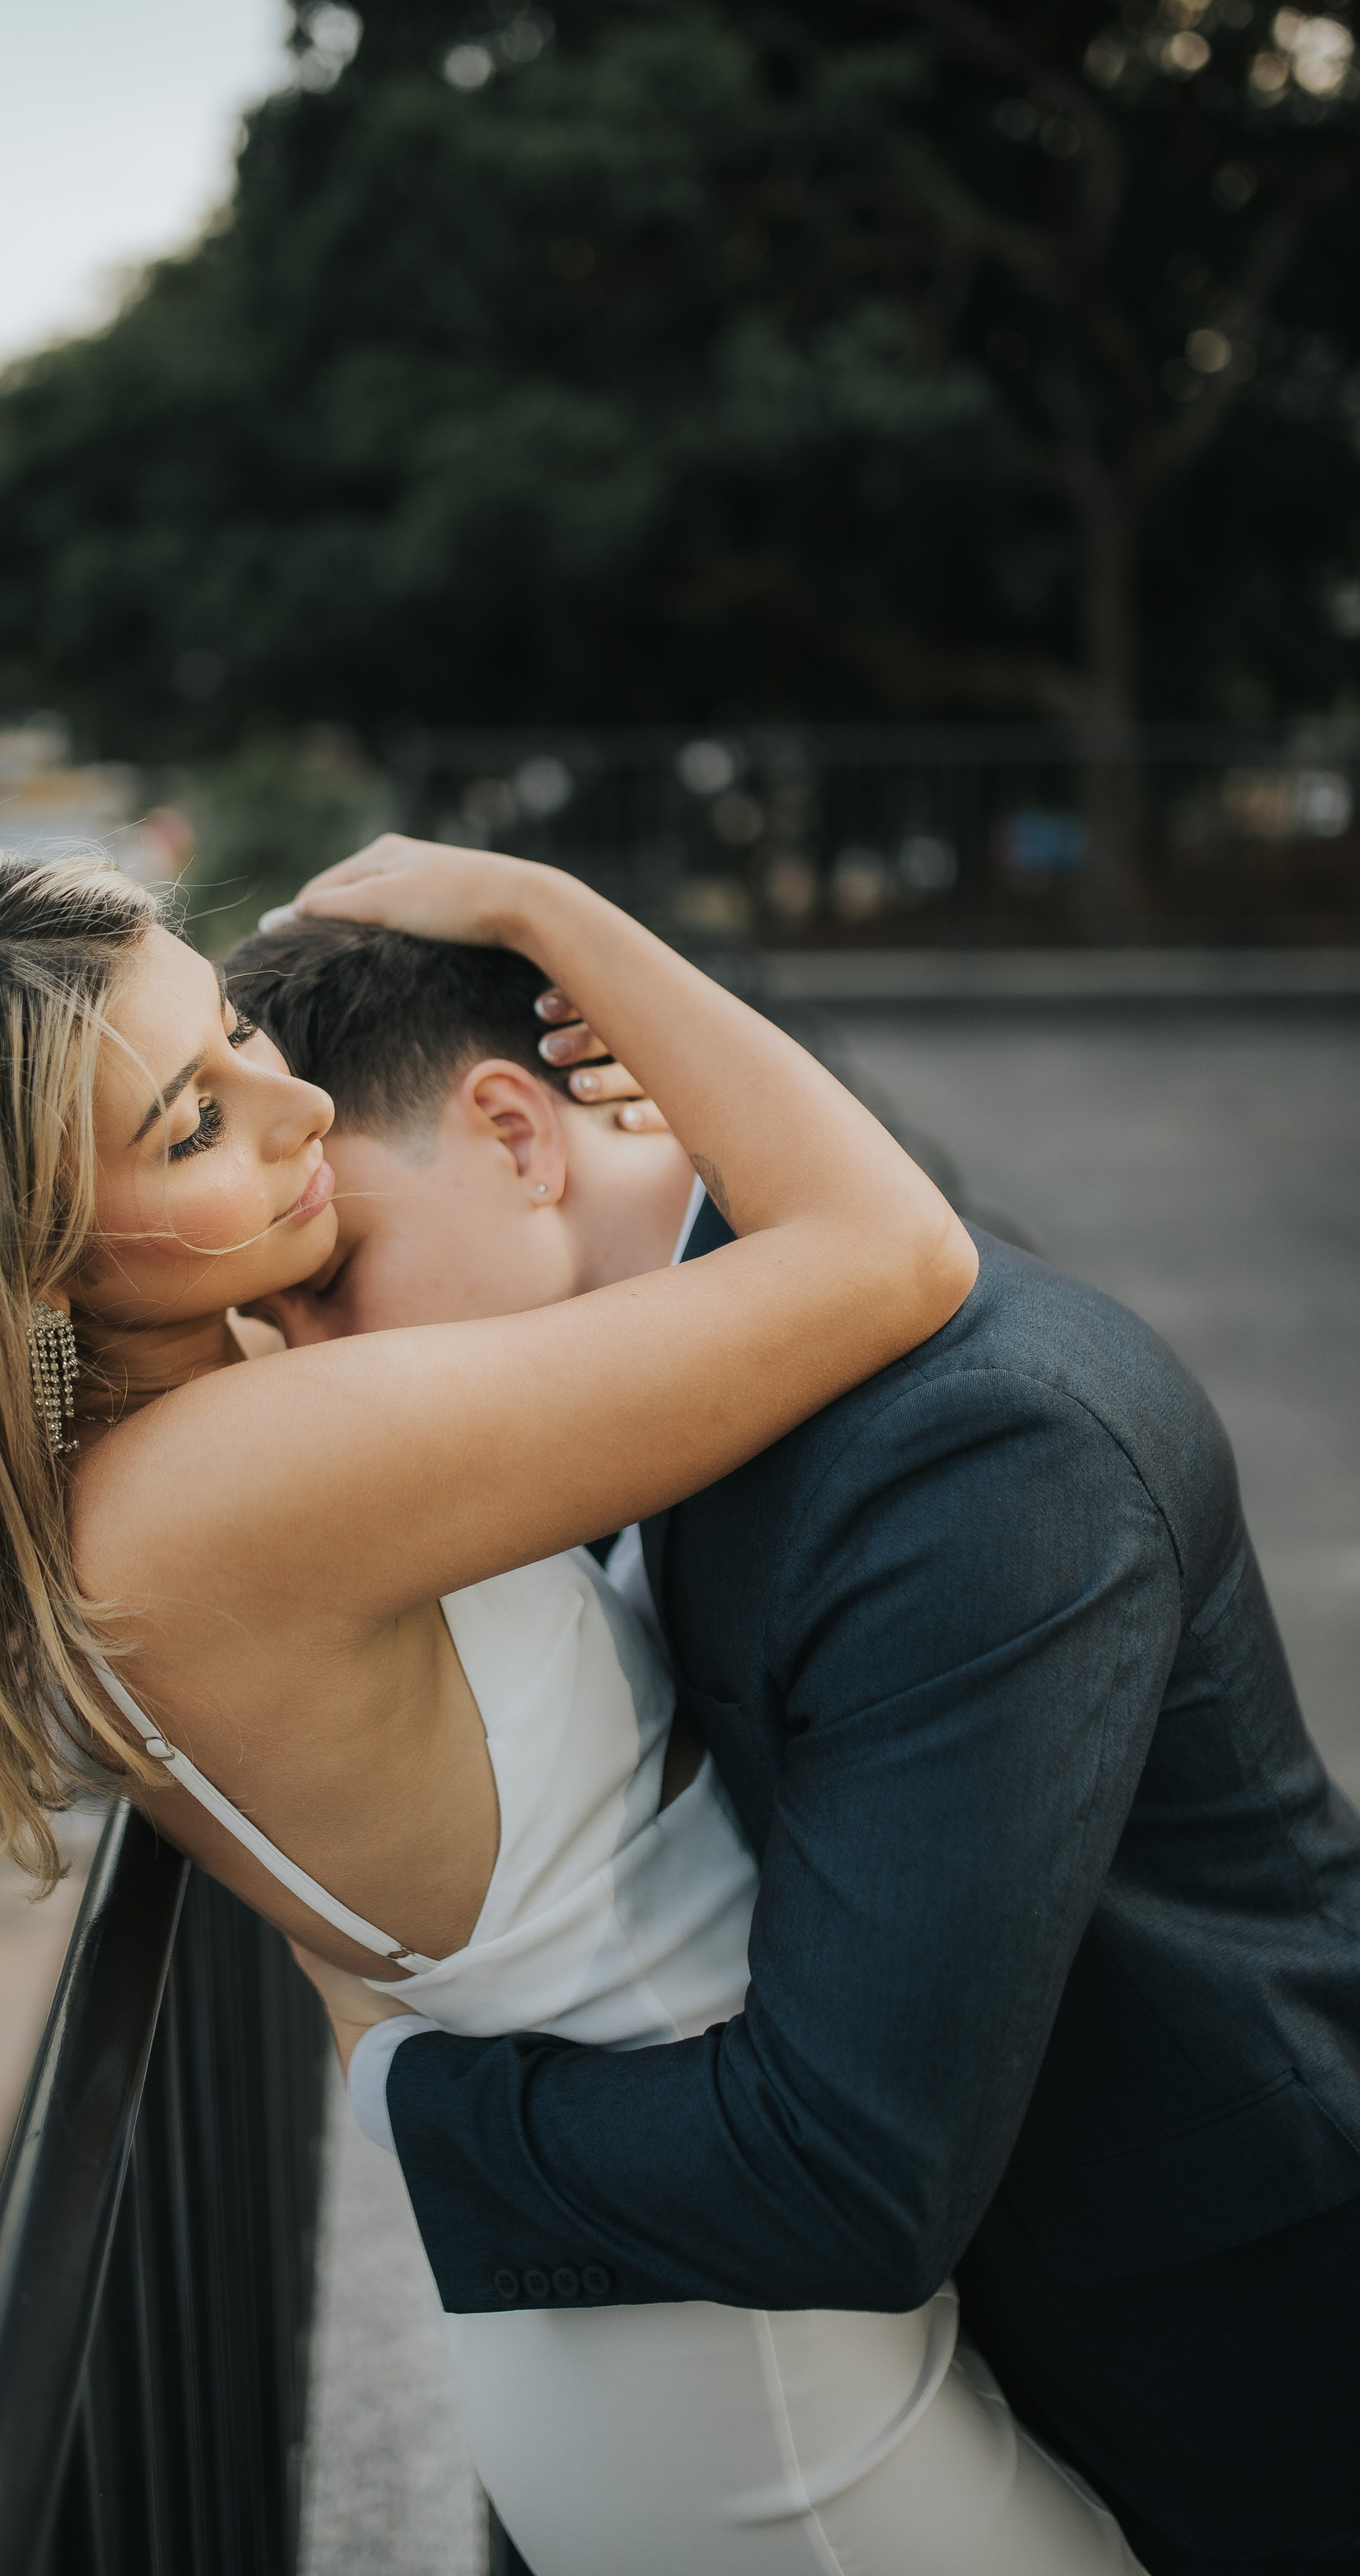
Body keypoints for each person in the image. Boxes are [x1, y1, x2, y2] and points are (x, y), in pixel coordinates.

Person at [0, 831, 1142, 2576]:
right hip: (748, 2390)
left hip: (677, 2315)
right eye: (193, 1123)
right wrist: (551, 912)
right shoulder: (236, 1483)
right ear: (23, 1262)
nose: (301, 1110)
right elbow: (894, 1253)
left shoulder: (166, 1453)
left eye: (235, 1030)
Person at [228, 881, 1360, 2576]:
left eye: (330, 1277)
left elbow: (850, 2170)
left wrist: (406, 2086)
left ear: (517, 1132)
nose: (309, 1366)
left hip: (1220, 2360)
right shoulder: (607, 1392)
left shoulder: (974, 1451)